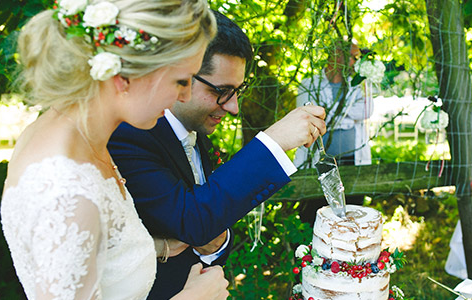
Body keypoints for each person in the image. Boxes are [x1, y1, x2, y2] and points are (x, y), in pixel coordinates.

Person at [0, 1, 228, 299]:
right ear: (126, 76)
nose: (184, 96)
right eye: (181, 81)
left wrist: (154, 248)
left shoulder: (74, 132)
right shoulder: (65, 191)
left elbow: (94, 245)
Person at [108, 11, 327, 299]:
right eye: (222, 91)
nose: (234, 107)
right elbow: (195, 221)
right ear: (183, 74)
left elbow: (209, 220)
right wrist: (274, 142)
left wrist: (219, 241)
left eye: (238, 90)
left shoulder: (195, 134)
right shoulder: (129, 136)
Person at [294, 40, 374, 168]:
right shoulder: (309, 85)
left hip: (354, 159)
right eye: (354, 57)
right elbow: (306, 119)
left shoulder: (358, 85)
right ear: (337, 55)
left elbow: (367, 111)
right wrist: (349, 117)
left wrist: (329, 111)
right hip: (319, 160)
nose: (356, 63)